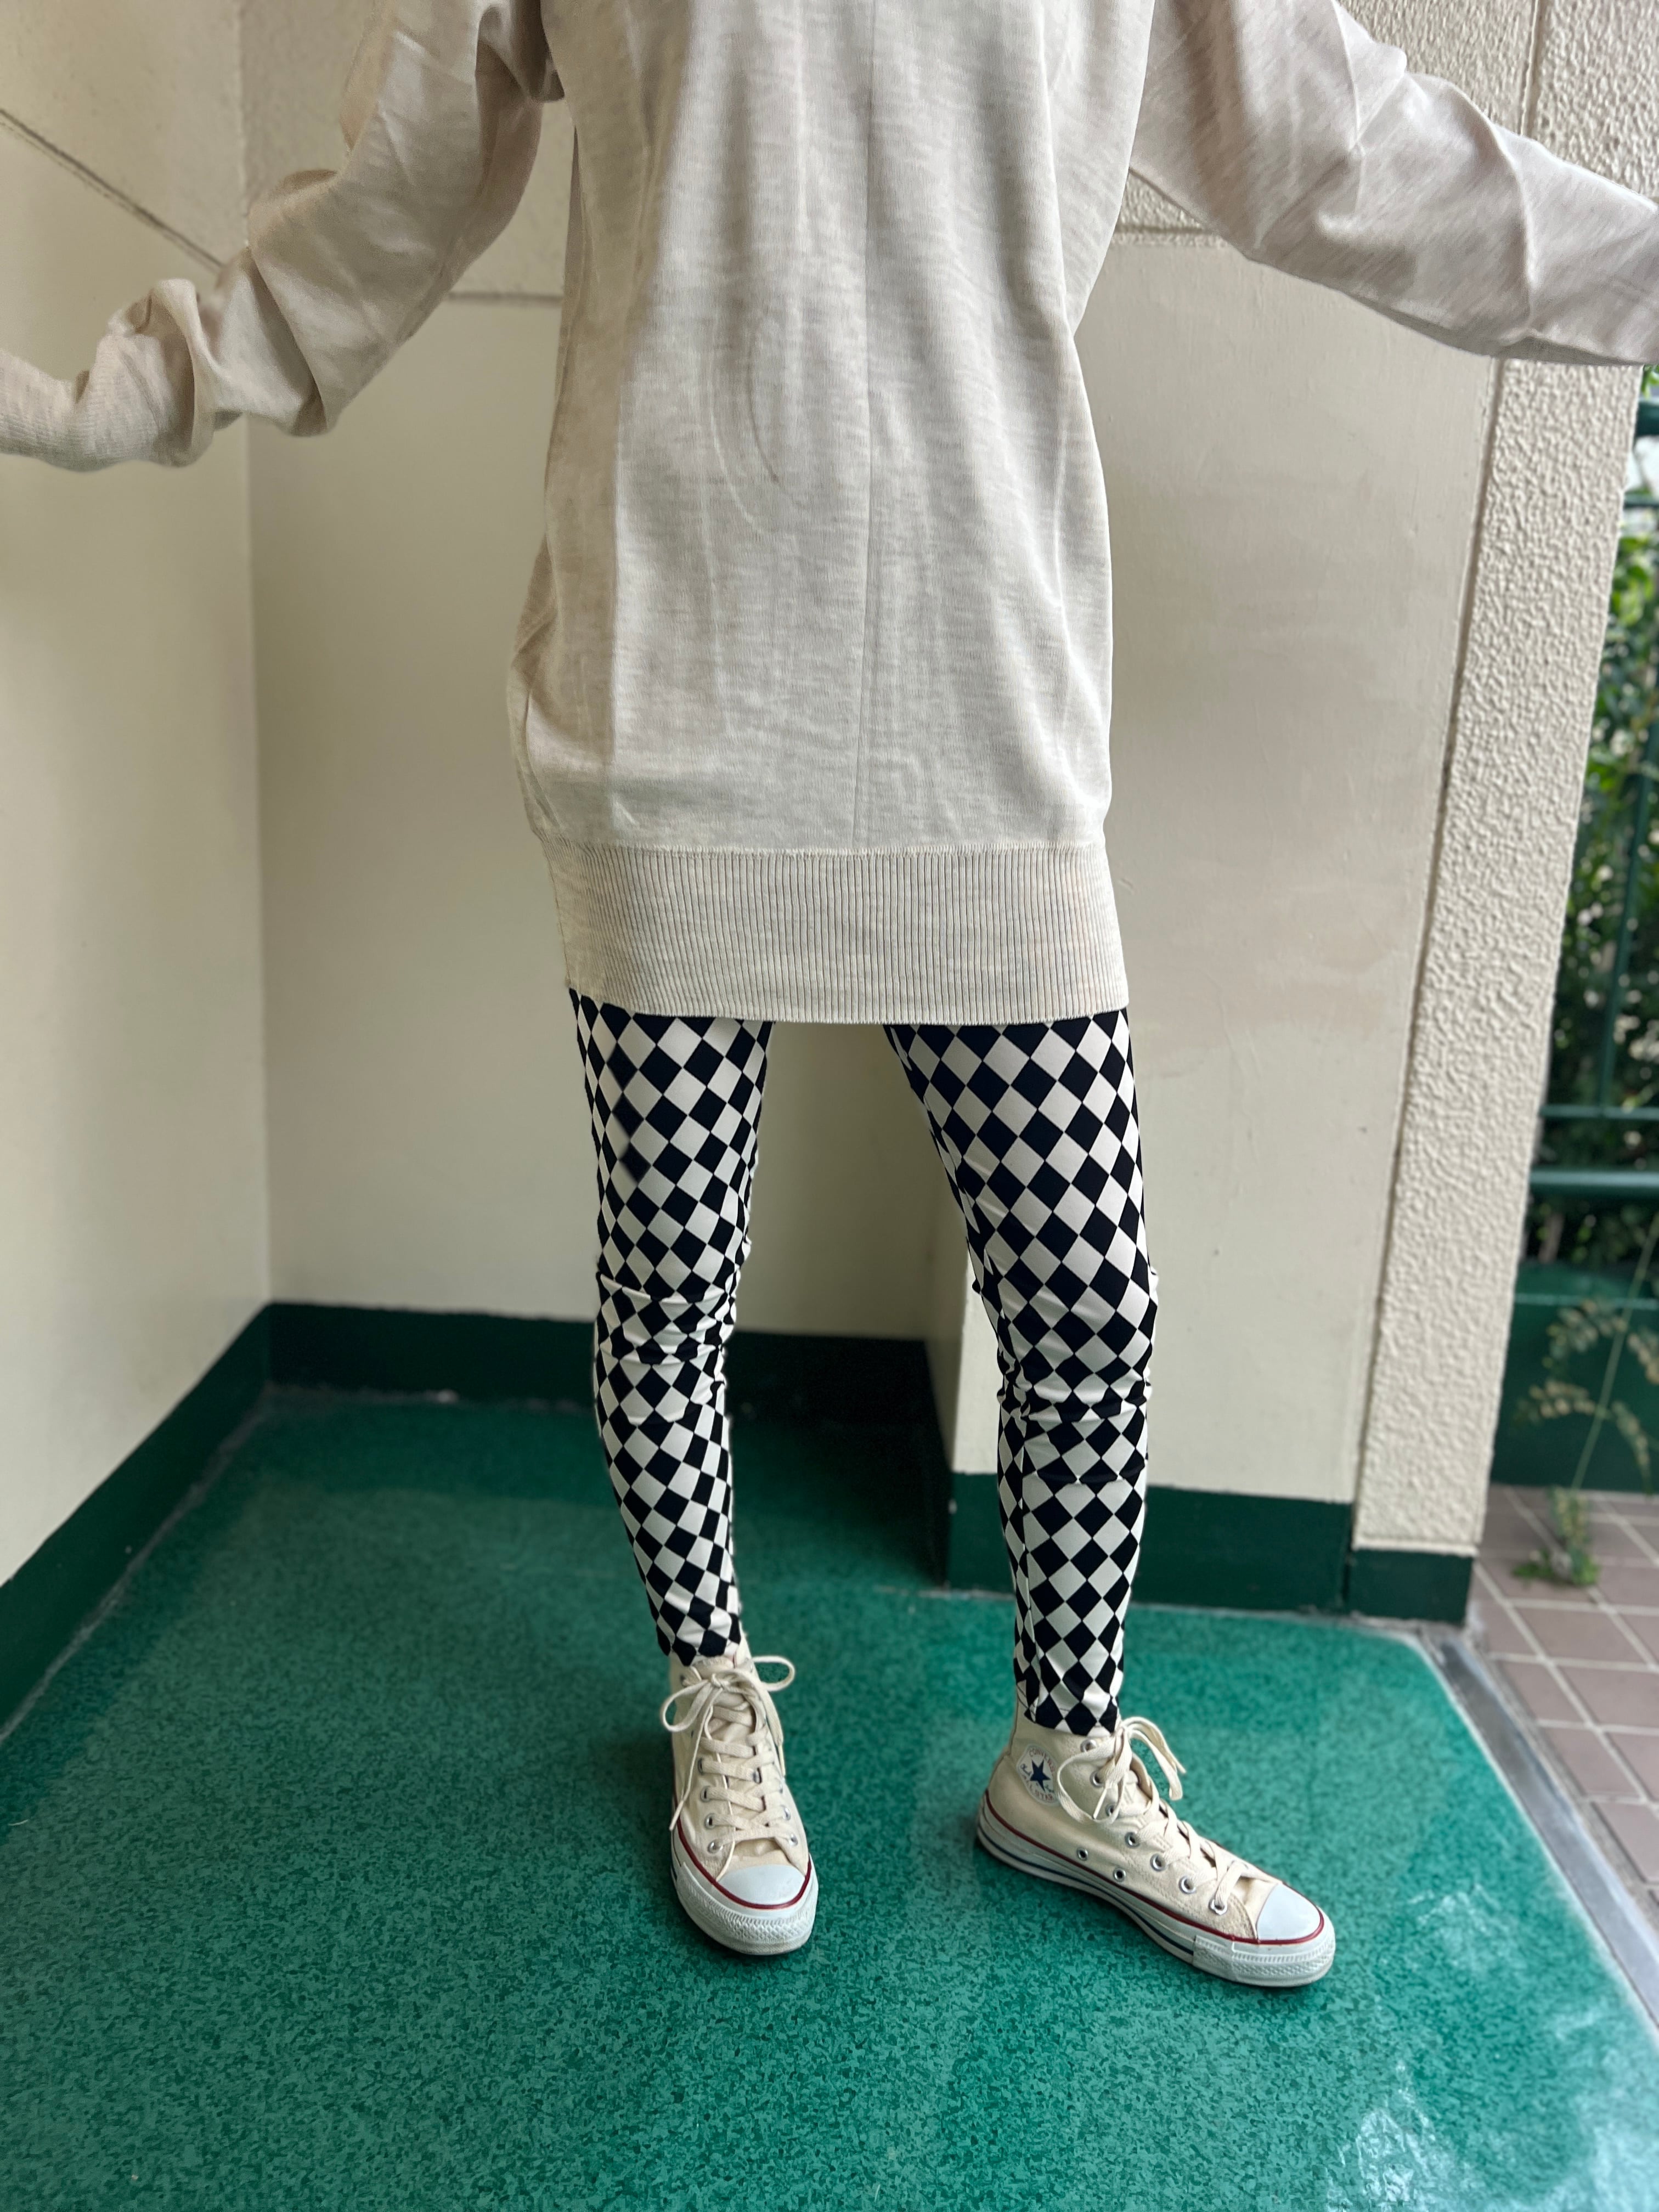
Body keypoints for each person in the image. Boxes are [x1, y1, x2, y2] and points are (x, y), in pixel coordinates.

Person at [7, 0, 1659, 1985]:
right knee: (674, 1280)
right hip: (669, 709)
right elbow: (386, 195)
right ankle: (714, 1693)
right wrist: (104, 396)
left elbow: (1357, 150)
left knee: (1091, 1301)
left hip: (984, 722)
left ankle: (1066, 1756)